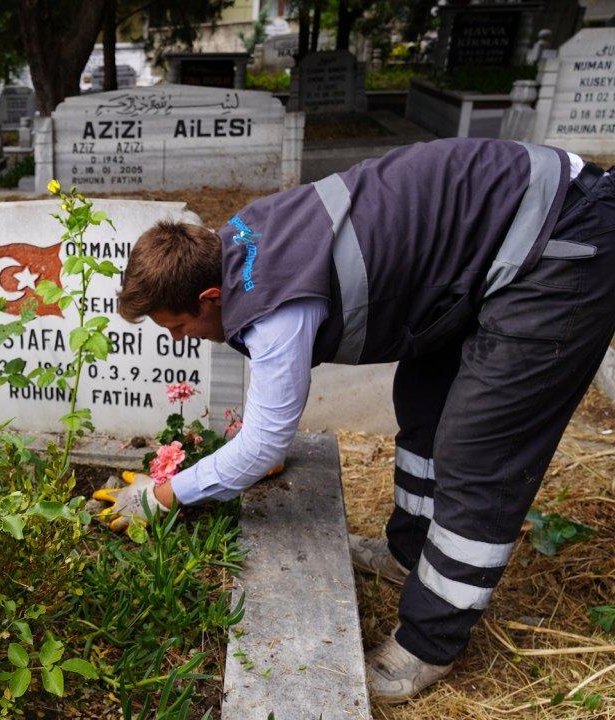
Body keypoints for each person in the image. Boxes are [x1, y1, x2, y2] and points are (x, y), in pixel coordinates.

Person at [97, 138, 615, 702]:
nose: (179, 341)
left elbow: (268, 443)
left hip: (558, 238)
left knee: (478, 452)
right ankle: (408, 555)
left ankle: (427, 644)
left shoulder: (276, 310)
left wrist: (164, 494)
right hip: (485, 238)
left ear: (210, 295)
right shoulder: (236, 241)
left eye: (176, 327)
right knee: (424, 400)